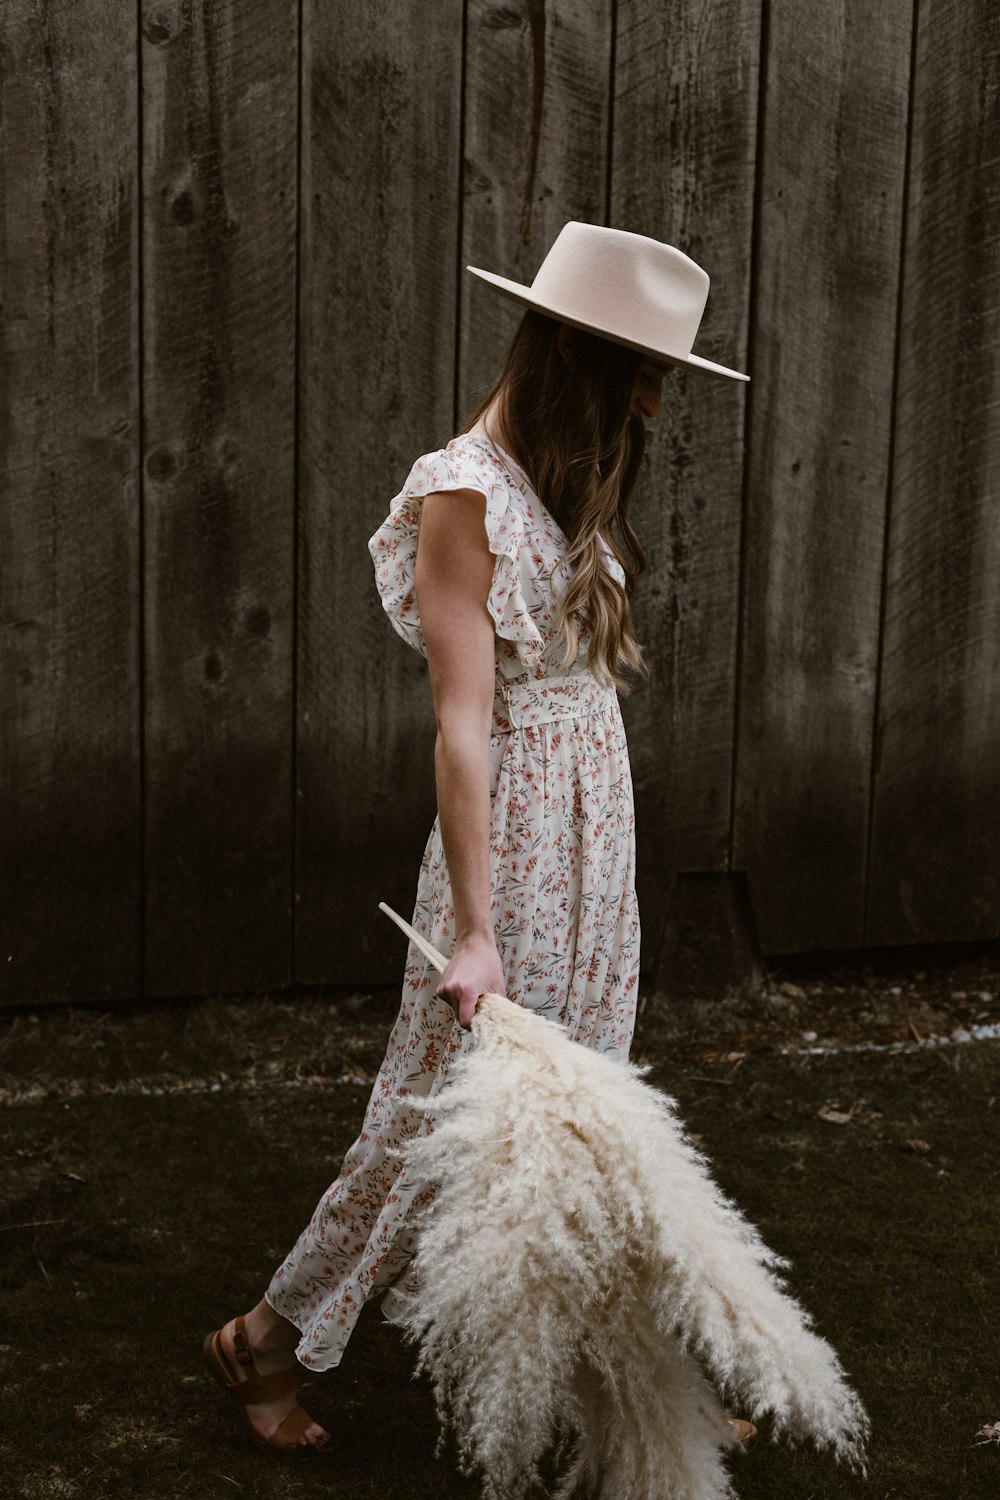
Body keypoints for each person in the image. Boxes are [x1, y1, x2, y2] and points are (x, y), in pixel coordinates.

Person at [203, 221, 749, 1454]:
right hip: (507, 857)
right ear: (574, 359)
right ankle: (261, 1342)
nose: (656, 406)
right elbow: (462, 727)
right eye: (641, 375)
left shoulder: (570, 479)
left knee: (592, 1125)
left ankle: (631, 1388)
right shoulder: (462, 494)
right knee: (433, 1126)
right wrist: (478, 930)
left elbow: (577, 687)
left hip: (591, 838)